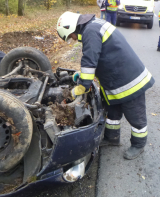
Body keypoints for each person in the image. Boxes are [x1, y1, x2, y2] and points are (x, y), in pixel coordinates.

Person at [56, 11, 155, 160]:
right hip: (116, 79)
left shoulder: (90, 32)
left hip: (129, 81)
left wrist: (81, 87)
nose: (73, 39)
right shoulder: (93, 26)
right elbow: (97, 57)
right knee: (112, 112)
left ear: (72, 29)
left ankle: (138, 144)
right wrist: (81, 75)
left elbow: (89, 61)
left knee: (135, 116)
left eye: (71, 36)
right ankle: (112, 138)